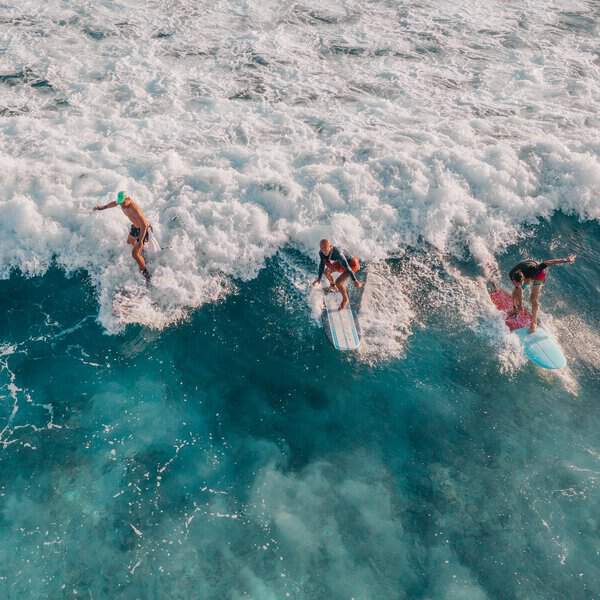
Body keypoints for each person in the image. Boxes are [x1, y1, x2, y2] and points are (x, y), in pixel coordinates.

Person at [94, 191, 152, 283]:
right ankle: (142, 254)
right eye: (120, 203)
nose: (122, 205)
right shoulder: (121, 202)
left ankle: (147, 274)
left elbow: (144, 224)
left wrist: (140, 240)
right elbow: (114, 203)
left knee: (134, 254)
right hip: (135, 227)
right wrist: (102, 207)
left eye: (123, 202)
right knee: (129, 242)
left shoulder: (134, 208)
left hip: (143, 230)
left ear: (127, 199)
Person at [509, 255, 576, 333]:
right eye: (515, 283)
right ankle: (515, 309)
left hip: (539, 275)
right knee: (516, 290)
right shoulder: (512, 274)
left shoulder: (534, 270)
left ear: (523, 279)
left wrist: (565, 260)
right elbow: (518, 289)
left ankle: (534, 323)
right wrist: (517, 306)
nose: (517, 285)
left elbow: (548, 262)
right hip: (526, 271)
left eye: (519, 283)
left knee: (533, 298)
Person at [312, 239, 363, 310]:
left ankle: (345, 299)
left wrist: (355, 280)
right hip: (341, 264)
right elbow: (322, 265)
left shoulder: (338, 253)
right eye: (322, 250)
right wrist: (319, 278)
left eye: (326, 250)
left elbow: (348, 267)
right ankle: (333, 286)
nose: (324, 252)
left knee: (338, 282)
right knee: (327, 272)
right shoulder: (322, 253)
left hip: (352, 265)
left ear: (331, 247)